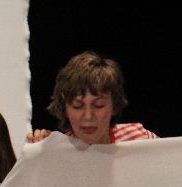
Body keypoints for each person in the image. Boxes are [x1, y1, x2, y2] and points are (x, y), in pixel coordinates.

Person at [27, 51, 157, 145]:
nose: (88, 116)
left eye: (99, 105)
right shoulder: (55, 150)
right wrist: (40, 150)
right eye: (77, 106)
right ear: (64, 108)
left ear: (114, 105)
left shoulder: (140, 139)